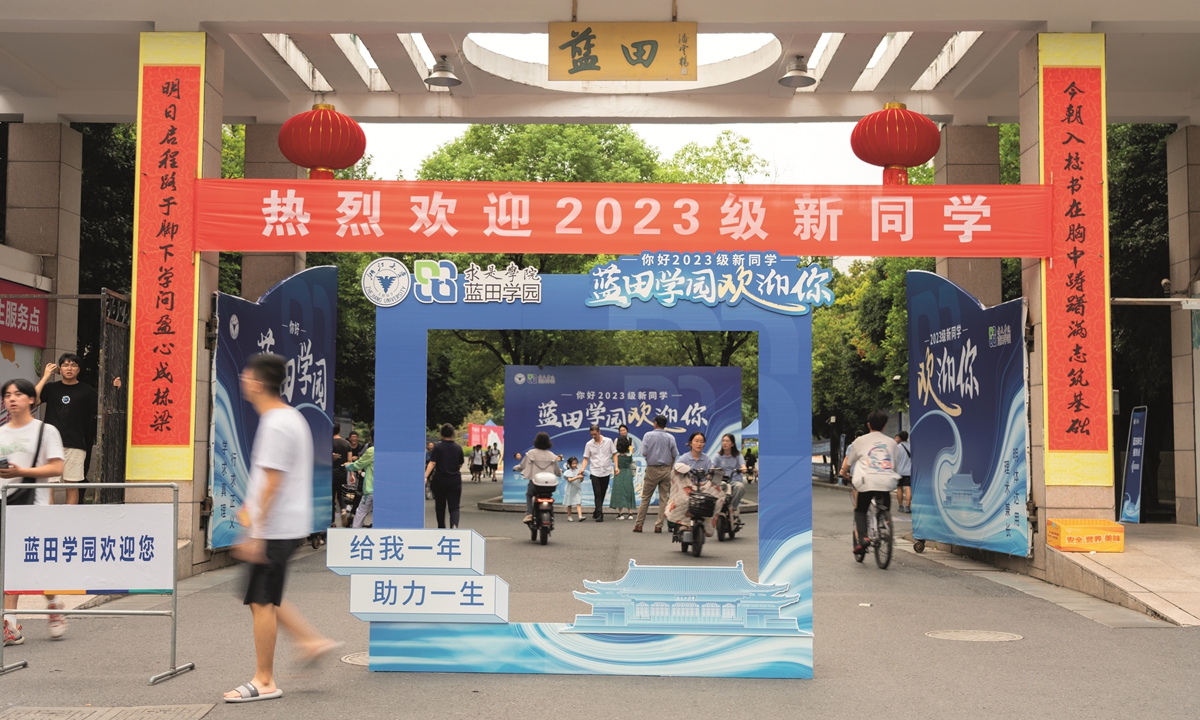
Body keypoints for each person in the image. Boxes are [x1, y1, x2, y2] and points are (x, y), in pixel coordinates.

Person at [224, 354, 339, 703]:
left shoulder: (275, 423)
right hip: (282, 524)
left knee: (261, 600)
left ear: (258, 383)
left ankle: (265, 680)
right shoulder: (290, 418)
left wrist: (255, 532)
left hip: (273, 528)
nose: (243, 380)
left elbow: (272, 482)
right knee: (265, 594)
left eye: (246, 376)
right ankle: (311, 641)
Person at [1, 378, 66, 646]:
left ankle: (53, 603)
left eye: (18, 394)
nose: (12, 399)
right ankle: (11, 626)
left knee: (33, 567)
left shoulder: (45, 431)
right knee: (9, 566)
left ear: (31, 399)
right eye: (7, 395)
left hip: (33, 508)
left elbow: (57, 468)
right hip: (5, 505)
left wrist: (22, 472)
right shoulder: (1, 432)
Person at [34, 354, 98, 506]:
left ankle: (69, 522)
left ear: (79, 369)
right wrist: (45, 377)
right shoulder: (51, 388)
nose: (69, 368)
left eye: (73, 365)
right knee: (49, 486)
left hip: (76, 444)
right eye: (65, 365)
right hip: (50, 445)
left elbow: (102, 409)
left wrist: (116, 388)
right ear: (60, 369)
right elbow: (32, 401)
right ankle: (49, 521)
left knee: (72, 485)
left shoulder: (87, 391)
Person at [839, 410, 901, 556]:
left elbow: (849, 461)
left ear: (868, 425)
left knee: (860, 510)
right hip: (887, 481)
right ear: (884, 427)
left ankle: (864, 538)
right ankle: (884, 523)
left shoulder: (859, 441)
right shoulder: (892, 443)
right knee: (883, 506)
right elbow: (895, 464)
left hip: (866, 481)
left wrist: (843, 472)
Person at [666, 431, 720, 537]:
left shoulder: (706, 459)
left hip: (702, 489)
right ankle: (683, 524)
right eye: (696, 441)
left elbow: (710, 473)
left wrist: (711, 475)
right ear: (690, 443)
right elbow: (677, 469)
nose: (699, 444)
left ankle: (706, 525)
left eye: (701, 442)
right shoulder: (684, 458)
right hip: (687, 489)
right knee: (683, 500)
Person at [633, 415, 677, 533]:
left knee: (645, 498)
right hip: (666, 469)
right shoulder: (670, 437)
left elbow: (644, 453)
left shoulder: (648, 435)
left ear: (656, 423)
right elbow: (674, 454)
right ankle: (659, 525)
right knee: (664, 499)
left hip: (652, 469)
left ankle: (639, 525)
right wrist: (669, 467)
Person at [513, 432, 562, 523]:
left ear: (536, 441)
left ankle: (529, 514)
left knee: (529, 494)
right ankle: (551, 513)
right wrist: (560, 474)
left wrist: (515, 468)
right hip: (549, 485)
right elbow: (557, 471)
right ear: (548, 442)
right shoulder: (552, 455)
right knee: (549, 496)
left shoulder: (530, 454)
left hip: (535, 484)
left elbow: (521, 466)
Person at [425, 424, 465, 529]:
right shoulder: (458, 448)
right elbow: (460, 464)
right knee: (454, 507)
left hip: (440, 479)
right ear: (453, 434)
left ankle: (441, 528)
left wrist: (425, 476)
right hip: (454, 479)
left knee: (440, 506)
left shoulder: (438, 447)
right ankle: (454, 525)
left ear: (441, 434)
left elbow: (432, 462)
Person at [579, 424, 617, 522]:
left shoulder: (608, 441)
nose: (593, 436)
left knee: (603, 492)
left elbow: (614, 454)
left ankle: (596, 511)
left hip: (606, 471)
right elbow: (585, 458)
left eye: (595, 434)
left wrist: (616, 467)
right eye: (591, 434)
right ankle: (600, 515)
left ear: (599, 432)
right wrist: (582, 469)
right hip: (595, 471)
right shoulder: (589, 444)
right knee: (598, 493)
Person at [712, 433, 748, 521]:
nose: (724, 443)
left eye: (727, 441)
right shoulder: (718, 456)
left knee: (740, 487)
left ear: (732, 444)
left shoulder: (738, 455)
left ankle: (733, 507)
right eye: (723, 441)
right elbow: (712, 466)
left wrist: (743, 468)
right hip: (722, 481)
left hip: (734, 480)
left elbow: (743, 465)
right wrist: (711, 471)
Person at [345, 443, 374, 528]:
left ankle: (355, 533)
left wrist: (347, 466)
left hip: (371, 488)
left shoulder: (372, 450)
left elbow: (358, 464)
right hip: (385, 489)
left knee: (361, 511)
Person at [610, 436, 636, 520]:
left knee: (619, 492)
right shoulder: (629, 453)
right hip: (627, 473)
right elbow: (631, 462)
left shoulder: (616, 454)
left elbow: (613, 460)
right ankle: (630, 513)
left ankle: (621, 514)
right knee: (629, 492)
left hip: (618, 473)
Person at [331, 426, 352, 527]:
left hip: (330, 473)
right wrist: (351, 474)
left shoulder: (328, 442)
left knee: (331, 496)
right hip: (343, 473)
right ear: (340, 430)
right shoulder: (346, 443)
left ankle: (332, 521)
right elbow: (349, 461)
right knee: (341, 495)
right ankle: (343, 509)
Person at [562, 457, 584, 521]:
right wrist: (577, 477)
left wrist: (581, 476)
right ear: (569, 464)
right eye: (573, 463)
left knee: (578, 502)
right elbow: (570, 480)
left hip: (577, 488)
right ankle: (569, 516)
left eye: (576, 463)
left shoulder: (579, 470)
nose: (575, 465)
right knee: (569, 503)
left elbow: (581, 480)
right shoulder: (568, 472)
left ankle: (580, 516)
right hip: (570, 489)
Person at [895, 431, 912, 513]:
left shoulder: (897, 447)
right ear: (907, 437)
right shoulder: (912, 447)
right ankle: (908, 506)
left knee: (899, 488)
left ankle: (901, 506)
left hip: (899, 471)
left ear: (900, 438)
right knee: (908, 488)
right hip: (908, 471)